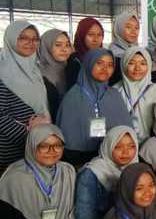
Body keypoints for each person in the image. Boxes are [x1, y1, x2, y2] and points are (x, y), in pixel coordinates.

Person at [56, 48, 132, 167]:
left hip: (113, 159)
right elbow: (66, 138)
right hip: (78, 161)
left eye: (110, 65)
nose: (105, 69)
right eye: (99, 63)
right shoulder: (72, 97)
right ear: (89, 64)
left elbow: (126, 131)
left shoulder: (114, 95)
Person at [0, 21, 51, 170]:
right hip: (11, 149)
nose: (30, 43)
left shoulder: (35, 69)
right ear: (11, 39)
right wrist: (28, 133)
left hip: (39, 144)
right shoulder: (2, 72)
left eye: (35, 39)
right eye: (23, 38)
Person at [75, 125, 139, 219]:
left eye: (131, 146)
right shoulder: (90, 174)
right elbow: (84, 217)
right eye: (118, 146)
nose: (125, 152)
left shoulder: (137, 168)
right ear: (108, 146)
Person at [115, 47, 156, 141]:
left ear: (149, 65)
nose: (137, 68)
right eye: (131, 63)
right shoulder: (115, 91)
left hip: (149, 146)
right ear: (124, 64)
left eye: (143, 63)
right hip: (123, 145)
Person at [38, 29, 72, 120]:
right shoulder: (38, 74)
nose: (64, 49)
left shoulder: (72, 70)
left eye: (67, 45)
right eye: (58, 45)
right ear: (46, 46)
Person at [67, 17, 105, 88]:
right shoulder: (74, 61)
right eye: (91, 34)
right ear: (81, 35)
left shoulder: (105, 58)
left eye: (99, 35)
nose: (95, 39)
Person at [108, 12, 140, 84]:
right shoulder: (111, 57)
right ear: (119, 28)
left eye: (136, 28)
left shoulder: (140, 53)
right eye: (128, 27)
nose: (133, 31)